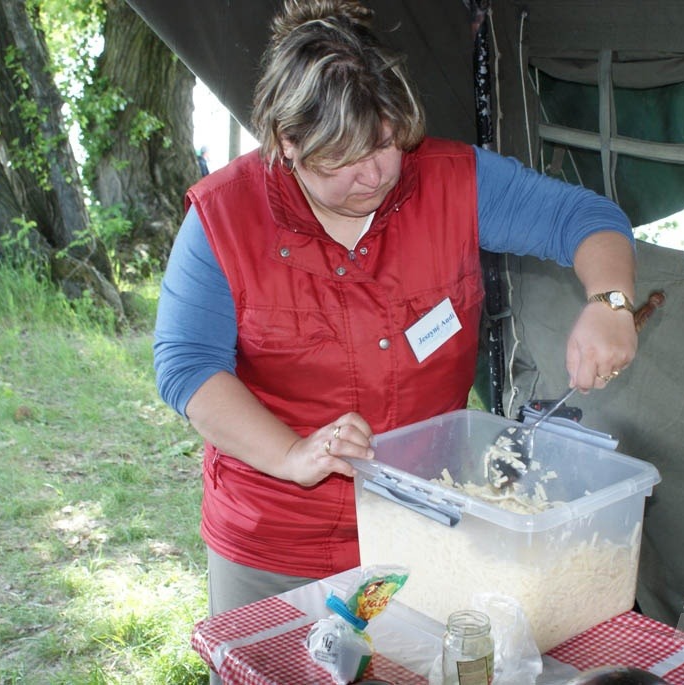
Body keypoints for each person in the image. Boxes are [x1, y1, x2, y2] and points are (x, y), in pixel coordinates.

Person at [153, 0, 637, 677]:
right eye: (341, 161)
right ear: (286, 143)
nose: (374, 174)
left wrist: (609, 300)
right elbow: (185, 367)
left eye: (384, 143)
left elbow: (584, 218)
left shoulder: (449, 181)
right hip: (274, 545)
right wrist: (293, 453)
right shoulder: (226, 215)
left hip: (421, 539)